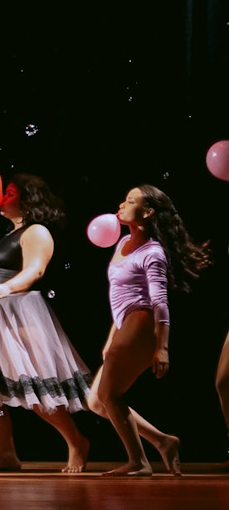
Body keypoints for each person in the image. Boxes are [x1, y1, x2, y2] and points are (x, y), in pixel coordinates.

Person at [0, 173, 93, 472]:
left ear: (28, 199)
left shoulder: (36, 231)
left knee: (32, 385)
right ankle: (7, 455)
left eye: (10, 193)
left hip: (19, 311)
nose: (2, 197)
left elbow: (35, 270)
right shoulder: (10, 233)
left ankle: (76, 441)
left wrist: (7, 287)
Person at [88, 184, 209, 477]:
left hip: (141, 323)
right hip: (124, 324)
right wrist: (111, 336)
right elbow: (119, 297)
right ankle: (163, 441)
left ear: (148, 212)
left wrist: (162, 347)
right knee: (96, 402)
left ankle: (139, 462)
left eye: (131, 201)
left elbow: (160, 302)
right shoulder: (122, 242)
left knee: (108, 395)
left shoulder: (153, 252)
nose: (121, 204)